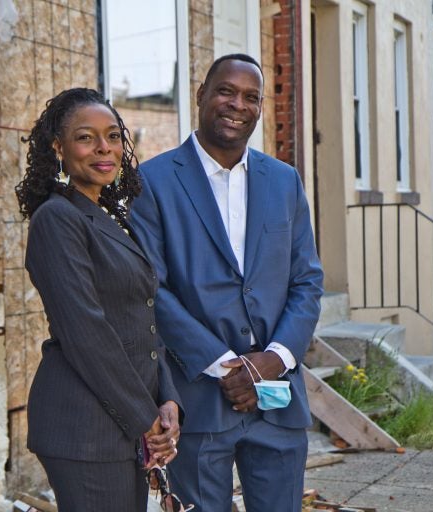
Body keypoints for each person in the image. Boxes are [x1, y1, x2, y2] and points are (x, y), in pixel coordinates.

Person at [129, 54, 324, 511]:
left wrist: (272, 360)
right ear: (201, 96)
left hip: (277, 401)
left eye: (251, 97)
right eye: (226, 91)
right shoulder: (151, 182)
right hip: (197, 400)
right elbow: (149, 288)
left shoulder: (284, 180)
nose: (237, 104)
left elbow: (307, 280)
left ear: (260, 107)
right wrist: (224, 366)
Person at [15, 88, 182, 512]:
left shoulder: (112, 218)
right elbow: (87, 333)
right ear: (59, 148)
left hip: (123, 418)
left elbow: (143, 316)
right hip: (84, 425)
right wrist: (145, 420)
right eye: (86, 137)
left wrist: (168, 399)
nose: (103, 148)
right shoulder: (57, 219)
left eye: (112, 137)